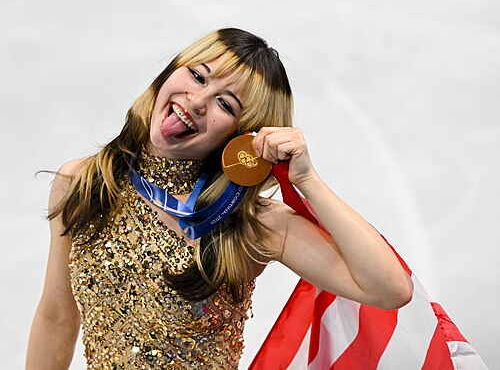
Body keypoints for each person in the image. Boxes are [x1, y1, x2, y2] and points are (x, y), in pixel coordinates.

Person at [26, 28, 413, 369]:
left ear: (243, 136)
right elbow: (57, 317)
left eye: (225, 104)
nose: (196, 101)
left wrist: (307, 180)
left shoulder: (251, 225)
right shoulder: (84, 181)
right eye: (197, 75)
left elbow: (390, 289)